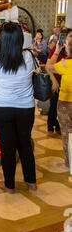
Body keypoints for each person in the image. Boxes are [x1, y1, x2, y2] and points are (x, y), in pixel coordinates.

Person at [0, 18, 37, 193]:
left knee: (7, 147)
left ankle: (9, 185)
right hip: (25, 109)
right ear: (20, 40)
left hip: (2, 109)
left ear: (1, 41)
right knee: (25, 144)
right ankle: (31, 183)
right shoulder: (29, 57)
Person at [46, 32, 72, 168]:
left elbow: (48, 67)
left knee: (67, 134)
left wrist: (57, 51)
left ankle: (69, 163)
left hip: (66, 101)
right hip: (63, 96)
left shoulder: (65, 64)